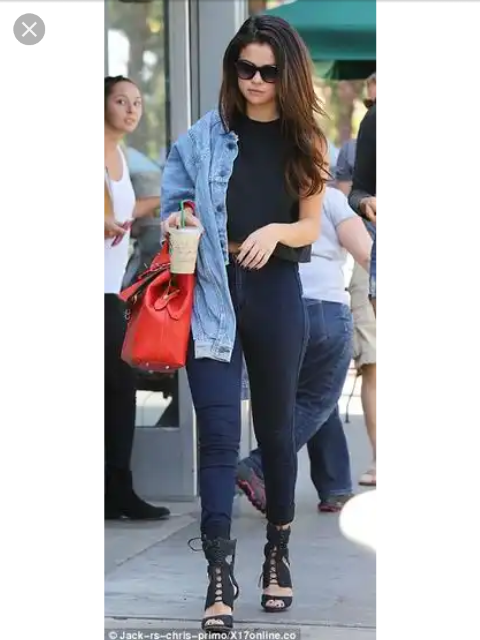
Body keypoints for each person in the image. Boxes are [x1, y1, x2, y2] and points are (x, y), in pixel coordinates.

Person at [160, 15, 329, 632]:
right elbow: (174, 208)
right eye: (245, 68)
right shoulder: (201, 138)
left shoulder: (304, 140)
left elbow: (309, 226)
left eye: (268, 71)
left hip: (275, 291)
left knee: (277, 432)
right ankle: (217, 573)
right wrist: (179, 223)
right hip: (211, 290)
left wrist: (276, 231)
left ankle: (276, 551)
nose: (255, 80)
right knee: (217, 436)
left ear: (289, 73)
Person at [236, 186, 372, 513]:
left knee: (312, 397)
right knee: (317, 398)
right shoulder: (330, 198)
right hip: (324, 308)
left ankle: (334, 487)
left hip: (274, 307)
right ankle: (257, 465)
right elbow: (367, 254)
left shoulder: (263, 192)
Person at [104, 75, 170, 521]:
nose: (131, 109)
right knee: (118, 387)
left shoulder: (120, 155)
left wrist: (169, 202)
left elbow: (123, 213)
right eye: (120, 101)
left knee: (116, 389)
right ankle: (117, 491)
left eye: (137, 102)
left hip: (109, 288)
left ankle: (116, 489)